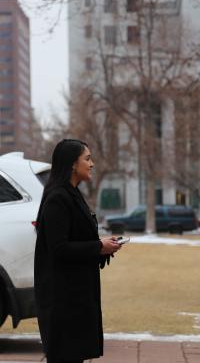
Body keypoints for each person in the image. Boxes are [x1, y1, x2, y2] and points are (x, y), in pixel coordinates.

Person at [34, 139, 122, 363]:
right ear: (73, 164)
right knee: (66, 356)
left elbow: (77, 237)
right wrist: (98, 247)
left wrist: (102, 247)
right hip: (63, 299)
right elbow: (58, 248)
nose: (92, 164)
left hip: (76, 294)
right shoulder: (58, 198)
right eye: (87, 159)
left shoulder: (71, 193)